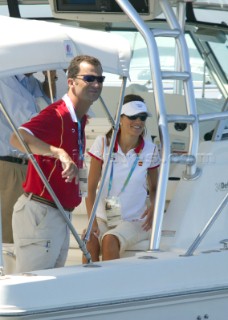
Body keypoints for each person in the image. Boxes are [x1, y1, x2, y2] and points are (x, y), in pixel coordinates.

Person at [10, 55, 104, 272]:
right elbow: (17, 138)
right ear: (71, 82)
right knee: (33, 288)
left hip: (59, 215)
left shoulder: (79, 118)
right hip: (43, 214)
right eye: (89, 78)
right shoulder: (57, 114)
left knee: (48, 287)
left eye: (100, 79)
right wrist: (58, 152)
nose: (96, 84)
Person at [83, 94, 160, 262]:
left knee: (110, 240)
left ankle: (110, 287)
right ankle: (88, 287)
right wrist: (92, 222)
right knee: (89, 240)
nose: (138, 121)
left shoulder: (151, 150)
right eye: (133, 116)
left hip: (135, 221)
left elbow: (155, 188)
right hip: (104, 216)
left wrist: (155, 206)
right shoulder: (103, 143)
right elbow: (90, 187)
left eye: (142, 117)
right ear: (120, 118)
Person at [0, 72, 57, 244]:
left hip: (30, 165)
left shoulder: (30, 82)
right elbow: (29, 122)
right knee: (11, 237)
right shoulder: (5, 78)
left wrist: (50, 79)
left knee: (29, 233)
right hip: (12, 166)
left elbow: (49, 105)